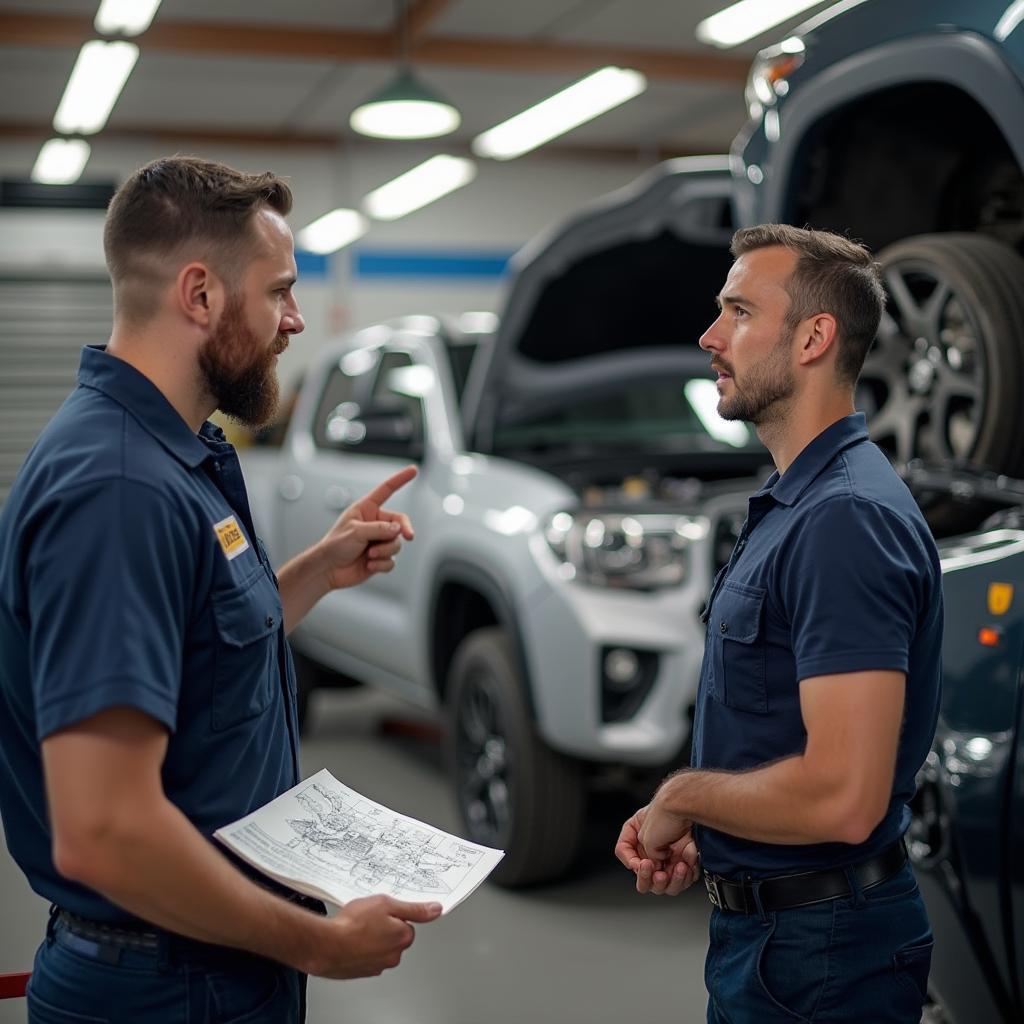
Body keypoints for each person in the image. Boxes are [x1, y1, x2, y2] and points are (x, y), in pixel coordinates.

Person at [0, 156, 441, 1024]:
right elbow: (104, 829)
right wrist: (319, 943)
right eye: (278, 291)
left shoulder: (171, 452)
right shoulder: (118, 488)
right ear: (199, 295)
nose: (295, 319)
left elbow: (195, 642)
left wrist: (317, 570)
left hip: (205, 967)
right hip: (167, 985)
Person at [615, 224, 942, 1023]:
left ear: (813, 339)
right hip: (781, 938)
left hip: (819, 956)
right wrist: (722, 827)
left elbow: (844, 798)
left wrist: (687, 796)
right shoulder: (798, 504)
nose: (709, 336)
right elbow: (778, 735)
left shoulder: (844, 521)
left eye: (737, 312)